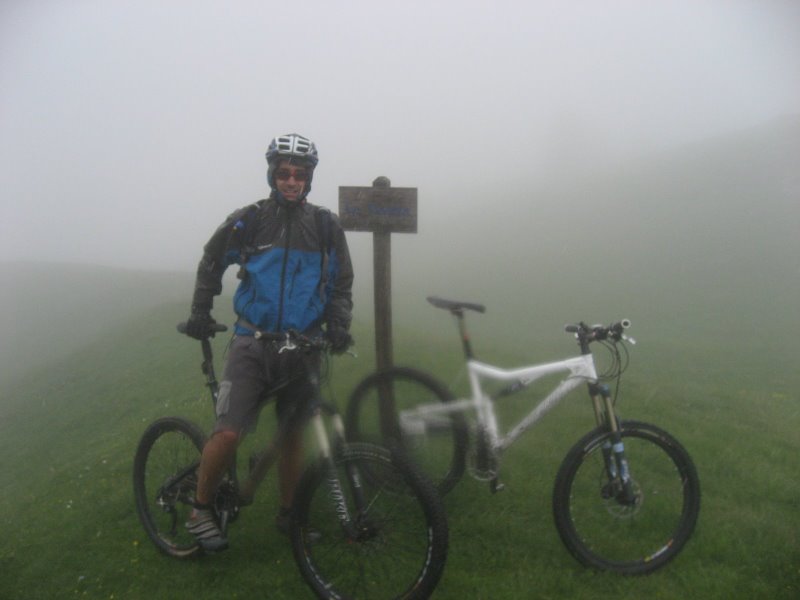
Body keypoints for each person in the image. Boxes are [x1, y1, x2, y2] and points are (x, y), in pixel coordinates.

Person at [182, 133, 354, 552]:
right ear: (272, 175)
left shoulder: (326, 226)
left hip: (304, 347)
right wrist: (202, 312)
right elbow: (211, 262)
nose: (291, 181)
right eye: (284, 173)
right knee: (228, 435)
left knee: (292, 435)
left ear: (310, 178)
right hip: (253, 344)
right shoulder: (251, 219)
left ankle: (289, 514)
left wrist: (337, 324)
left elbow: (340, 285)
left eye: (299, 174)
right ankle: (200, 508)